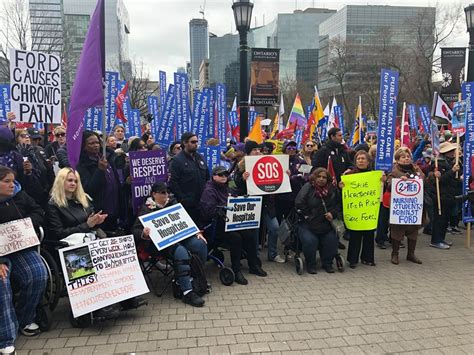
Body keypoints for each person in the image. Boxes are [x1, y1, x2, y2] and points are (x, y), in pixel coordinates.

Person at [132, 182, 208, 307]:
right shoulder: (146, 209)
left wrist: (196, 231)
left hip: (178, 237)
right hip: (159, 244)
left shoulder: (173, 204)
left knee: (199, 244)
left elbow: (185, 220)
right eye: (162, 192)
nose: (166, 195)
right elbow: (135, 230)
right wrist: (144, 234)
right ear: (154, 194)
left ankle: (196, 279)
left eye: (167, 192)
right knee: (180, 251)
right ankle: (187, 292)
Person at [0, 166, 48, 355]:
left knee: (39, 274)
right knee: (2, 282)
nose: (12, 185)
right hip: (0, 255)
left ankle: (24, 318)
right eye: (6, 181)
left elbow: (38, 210)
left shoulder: (20, 195)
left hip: (21, 247)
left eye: (13, 180)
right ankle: (5, 338)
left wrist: (27, 225)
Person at [200, 166, 267, 285]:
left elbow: (236, 193)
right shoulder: (209, 190)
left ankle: (253, 265)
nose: (224, 177)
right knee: (236, 238)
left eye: (225, 175)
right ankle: (236, 271)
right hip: (216, 226)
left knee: (250, 234)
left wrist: (242, 198)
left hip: (232, 222)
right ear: (213, 176)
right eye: (220, 175)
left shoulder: (227, 187)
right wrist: (221, 208)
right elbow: (207, 211)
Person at [295, 167, 340, 274]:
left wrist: (332, 214)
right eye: (319, 176)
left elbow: (338, 206)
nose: (321, 179)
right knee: (311, 241)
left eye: (324, 177)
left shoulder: (332, 190)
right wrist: (308, 215)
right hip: (308, 224)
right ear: (314, 177)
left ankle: (327, 264)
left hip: (325, 223)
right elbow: (299, 203)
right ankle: (311, 264)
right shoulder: (308, 187)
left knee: (332, 240)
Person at [76, 131, 123, 231]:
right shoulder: (81, 165)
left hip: (114, 210)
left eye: (97, 142)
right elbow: (89, 189)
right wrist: (100, 171)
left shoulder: (107, 157)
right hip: (99, 214)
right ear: (84, 146)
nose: (96, 145)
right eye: (91, 143)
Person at [46, 168, 108, 240]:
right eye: (70, 180)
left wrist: (97, 221)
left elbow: (90, 223)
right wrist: (87, 225)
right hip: (69, 246)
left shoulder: (84, 199)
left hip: (90, 239)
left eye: (76, 181)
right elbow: (58, 233)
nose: (73, 184)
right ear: (61, 181)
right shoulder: (53, 205)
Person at [339, 151, 377, 268]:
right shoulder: (349, 175)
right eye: (358, 159)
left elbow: (379, 191)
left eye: (363, 159)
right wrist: (341, 187)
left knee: (369, 234)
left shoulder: (374, 175)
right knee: (355, 235)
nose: (360, 161)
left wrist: (382, 182)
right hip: (355, 211)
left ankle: (367, 258)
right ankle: (353, 260)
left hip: (368, 210)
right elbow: (342, 193)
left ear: (368, 161)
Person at [387, 147, 423, 265]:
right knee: (397, 231)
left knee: (413, 231)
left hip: (413, 208)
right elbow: (389, 184)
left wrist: (431, 176)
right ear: (397, 160)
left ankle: (411, 254)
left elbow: (425, 182)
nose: (406, 159)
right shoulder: (394, 171)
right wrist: (398, 180)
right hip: (400, 209)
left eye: (408, 157)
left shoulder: (416, 170)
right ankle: (395, 253)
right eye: (403, 157)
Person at [426, 142, 461, 249]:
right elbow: (440, 181)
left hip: (448, 195)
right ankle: (436, 240)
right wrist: (452, 171)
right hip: (440, 196)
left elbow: (453, 179)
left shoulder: (451, 162)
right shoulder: (438, 164)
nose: (453, 152)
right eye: (451, 151)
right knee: (439, 219)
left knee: (445, 219)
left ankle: (441, 238)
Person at [169, 132, 209, 223]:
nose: (196, 144)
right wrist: (183, 199)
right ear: (185, 143)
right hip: (187, 203)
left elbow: (207, 176)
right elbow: (173, 182)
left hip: (202, 200)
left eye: (197, 142)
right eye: (193, 142)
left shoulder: (200, 157)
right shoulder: (177, 160)